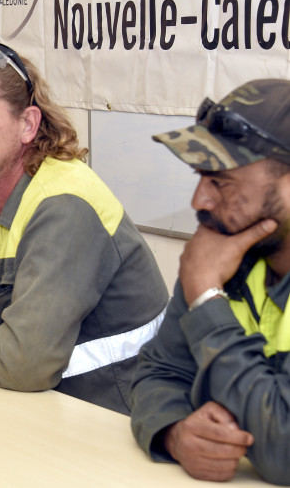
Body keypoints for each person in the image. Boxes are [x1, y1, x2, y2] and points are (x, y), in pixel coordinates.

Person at [0, 43, 169, 415]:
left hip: (117, 415)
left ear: (27, 125)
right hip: (44, 408)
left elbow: (25, 363)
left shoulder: (65, 205)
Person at [130, 79, 290, 484]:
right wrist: (176, 432)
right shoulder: (227, 252)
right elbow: (158, 373)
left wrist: (205, 296)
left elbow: (284, 448)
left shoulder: (208, 272)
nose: (199, 201)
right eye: (201, 177)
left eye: (221, 181)